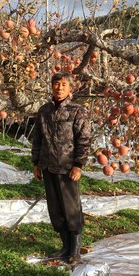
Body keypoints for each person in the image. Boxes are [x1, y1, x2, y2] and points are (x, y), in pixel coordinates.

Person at [31, 71, 91, 264]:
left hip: (67, 168)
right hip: (48, 166)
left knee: (71, 207)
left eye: (64, 84)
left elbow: (84, 139)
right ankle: (64, 246)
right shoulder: (44, 111)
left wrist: (78, 165)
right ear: (51, 86)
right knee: (55, 209)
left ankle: (75, 250)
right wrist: (36, 163)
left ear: (69, 88)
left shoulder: (76, 111)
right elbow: (38, 138)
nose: (59, 87)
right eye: (56, 84)